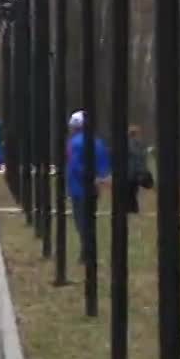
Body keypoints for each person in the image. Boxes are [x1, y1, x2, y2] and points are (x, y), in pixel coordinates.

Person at [65, 110, 110, 264]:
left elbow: (75, 166)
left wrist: (88, 177)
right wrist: (100, 178)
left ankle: (87, 253)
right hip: (93, 188)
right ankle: (87, 252)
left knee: (81, 222)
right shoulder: (98, 142)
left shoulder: (74, 143)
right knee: (89, 220)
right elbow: (104, 163)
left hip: (79, 188)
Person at [126, 125, 152, 214]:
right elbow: (141, 160)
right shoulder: (140, 146)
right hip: (135, 174)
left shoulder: (127, 145)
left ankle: (131, 210)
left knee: (129, 194)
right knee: (133, 193)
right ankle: (133, 210)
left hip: (128, 174)